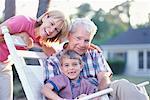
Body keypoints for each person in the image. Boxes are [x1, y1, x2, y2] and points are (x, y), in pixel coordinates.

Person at [45, 18, 148, 100]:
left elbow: (104, 77)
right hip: (75, 97)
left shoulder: (94, 54)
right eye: (78, 38)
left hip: (101, 93)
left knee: (123, 85)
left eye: (86, 40)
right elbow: (50, 90)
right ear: (69, 36)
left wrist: (98, 95)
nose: (82, 44)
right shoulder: (54, 61)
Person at [0, 10, 69, 100]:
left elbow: (55, 53)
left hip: (5, 66)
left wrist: (78, 45)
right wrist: (21, 35)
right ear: (45, 17)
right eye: (52, 24)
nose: (51, 30)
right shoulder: (24, 21)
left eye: (56, 30)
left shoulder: (40, 39)